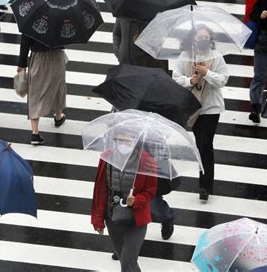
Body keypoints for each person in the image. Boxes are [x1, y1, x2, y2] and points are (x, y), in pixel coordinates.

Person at [173, 24, 230, 201]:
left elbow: (222, 80)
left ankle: (205, 185)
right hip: (194, 106)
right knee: (200, 144)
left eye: (206, 37)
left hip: (211, 107)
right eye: (200, 37)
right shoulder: (184, 57)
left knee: (206, 144)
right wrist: (191, 79)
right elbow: (175, 79)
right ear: (192, 39)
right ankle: (204, 180)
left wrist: (206, 73)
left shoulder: (216, 57)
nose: (203, 40)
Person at [91, 129, 157, 272]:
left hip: (135, 221)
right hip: (112, 217)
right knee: (127, 263)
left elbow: (150, 191)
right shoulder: (106, 157)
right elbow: (100, 189)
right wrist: (97, 220)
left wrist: (137, 200)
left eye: (126, 141)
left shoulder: (146, 161)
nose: (122, 144)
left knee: (127, 261)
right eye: (118, 140)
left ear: (135, 141)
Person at [17, 34, 67, 145]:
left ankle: (35, 132)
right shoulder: (60, 18)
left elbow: (25, 42)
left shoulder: (33, 19)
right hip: (57, 56)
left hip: (39, 57)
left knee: (36, 92)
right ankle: (58, 116)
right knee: (58, 87)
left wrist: (22, 63)